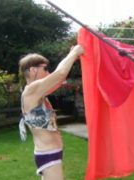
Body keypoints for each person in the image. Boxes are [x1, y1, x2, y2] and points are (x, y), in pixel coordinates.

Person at [18, 45, 84, 180]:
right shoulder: (31, 91)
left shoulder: (38, 91)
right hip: (48, 154)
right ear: (32, 70)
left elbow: (58, 78)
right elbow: (59, 74)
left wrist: (70, 55)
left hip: (50, 152)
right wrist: (75, 52)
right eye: (45, 69)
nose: (48, 73)